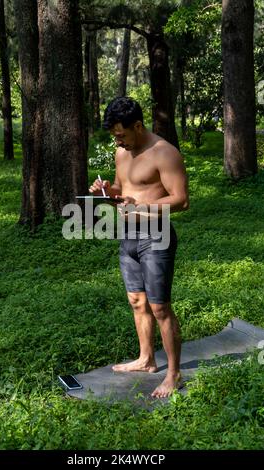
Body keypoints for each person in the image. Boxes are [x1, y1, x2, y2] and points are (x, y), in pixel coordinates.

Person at [89, 97, 189, 398]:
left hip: (156, 235)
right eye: (114, 135)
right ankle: (147, 360)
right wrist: (106, 191)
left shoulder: (164, 153)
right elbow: (124, 190)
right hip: (128, 235)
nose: (117, 140)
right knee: (137, 301)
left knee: (160, 307)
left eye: (121, 134)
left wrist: (141, 204)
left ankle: (174, 374)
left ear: (138, 125)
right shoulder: (122, 151)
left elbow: (181, 200)